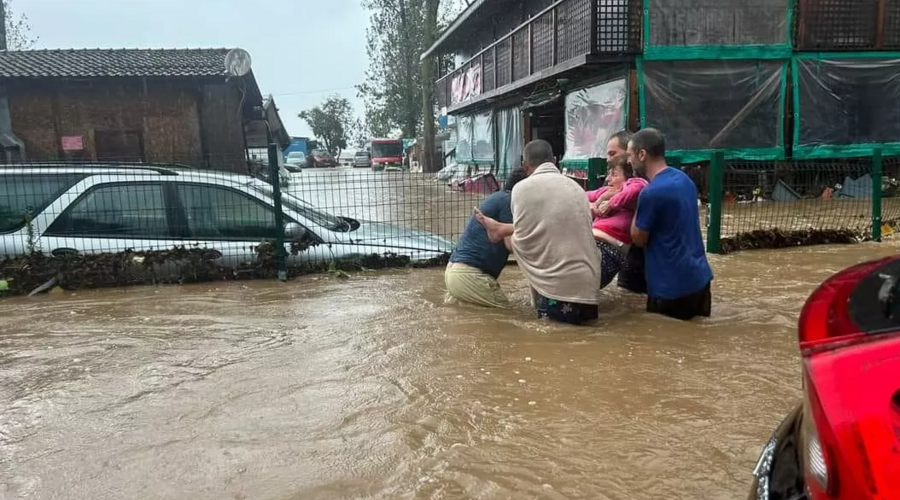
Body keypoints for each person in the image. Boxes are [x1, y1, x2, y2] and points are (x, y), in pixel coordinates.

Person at [475, 140, 601, 325]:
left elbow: (526, 239)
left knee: (552, 347)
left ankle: (499, 229)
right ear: (555, 160)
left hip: (557, 287)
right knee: (586, 342)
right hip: (589, 283)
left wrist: (502, 233)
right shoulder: (576, 187)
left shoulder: (521, 189)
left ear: (525, 166)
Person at [628, 128, 713, 320]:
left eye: (630, 155)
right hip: (699, 278)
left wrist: (635, 204)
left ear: (642, 154)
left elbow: (638, 238)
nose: (628, 161)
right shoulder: (685, 180)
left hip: (670, 287)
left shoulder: (650, 193)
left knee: (663, 344)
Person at [445, 169, 529, 308]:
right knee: (511, 320)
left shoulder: (498, 197)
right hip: (470, 276)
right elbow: (510, 244)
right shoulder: (509, 201)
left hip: (454, 272)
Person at [585, 155, 648, 288]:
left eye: (614, 174)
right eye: (608, 174)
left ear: (630, 177)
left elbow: (634, 189)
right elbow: (581, 195)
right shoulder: (606, 191)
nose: (608, 179)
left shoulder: (636, 185)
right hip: (591, 244)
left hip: (609, 251)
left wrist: (611, 203)